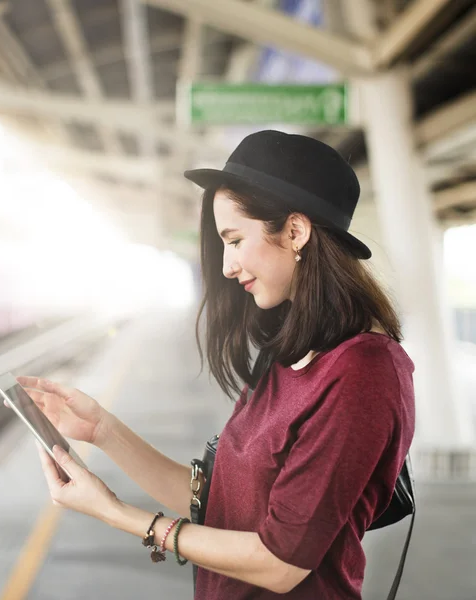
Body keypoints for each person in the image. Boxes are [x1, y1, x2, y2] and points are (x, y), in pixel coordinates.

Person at [20, 130, 415, 599]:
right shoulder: (289, 354)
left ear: (295, 231)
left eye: (235, 239)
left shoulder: (363, 372)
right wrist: (103, 430)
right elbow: (215, 501)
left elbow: (280, 563)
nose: (227, 267)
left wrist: (114, 512)